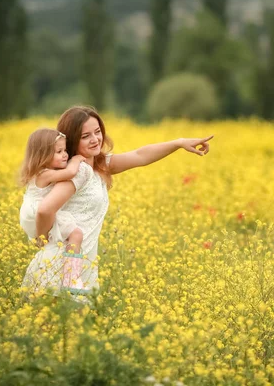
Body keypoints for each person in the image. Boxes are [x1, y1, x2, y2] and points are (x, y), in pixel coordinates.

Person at [22, 105, 212, 301]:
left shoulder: (96, 166)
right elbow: (45, 209)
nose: (95, 139)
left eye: (97, 132)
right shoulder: (79, 172)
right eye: (85, 136)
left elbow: (140, 156)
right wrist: (42, 240)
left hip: (78, 262)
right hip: (62, 266)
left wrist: (179, 143)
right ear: (71, 140)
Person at [18, 128, 88, 292]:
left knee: (58, 242)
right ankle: (71, 279)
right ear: (42, 155)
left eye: (65, 150)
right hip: (37, 212)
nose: (65, 155)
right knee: (76, 234)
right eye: (59, 152)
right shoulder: (45, 174)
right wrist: (77, 159)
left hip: (30, 213)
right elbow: (71, 172)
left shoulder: (39, 173)